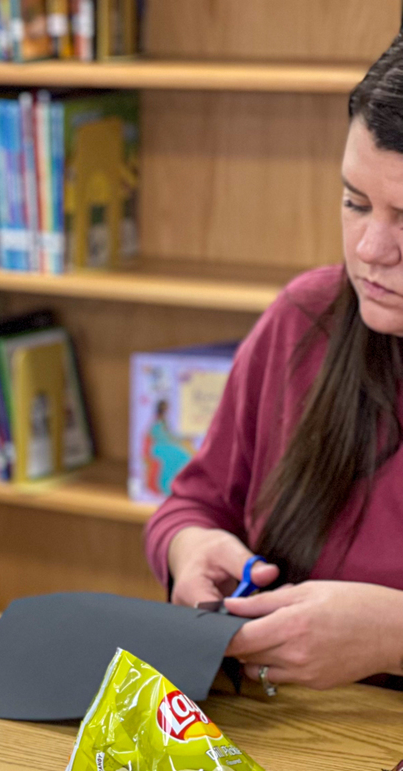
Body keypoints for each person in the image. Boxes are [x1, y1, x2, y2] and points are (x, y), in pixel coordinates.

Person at [145, 32, 403, 693]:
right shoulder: (303, 318)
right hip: (272, 739)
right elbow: (193, 504)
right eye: (354, 202)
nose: (372, 248)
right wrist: (190, 551)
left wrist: (393, 637)